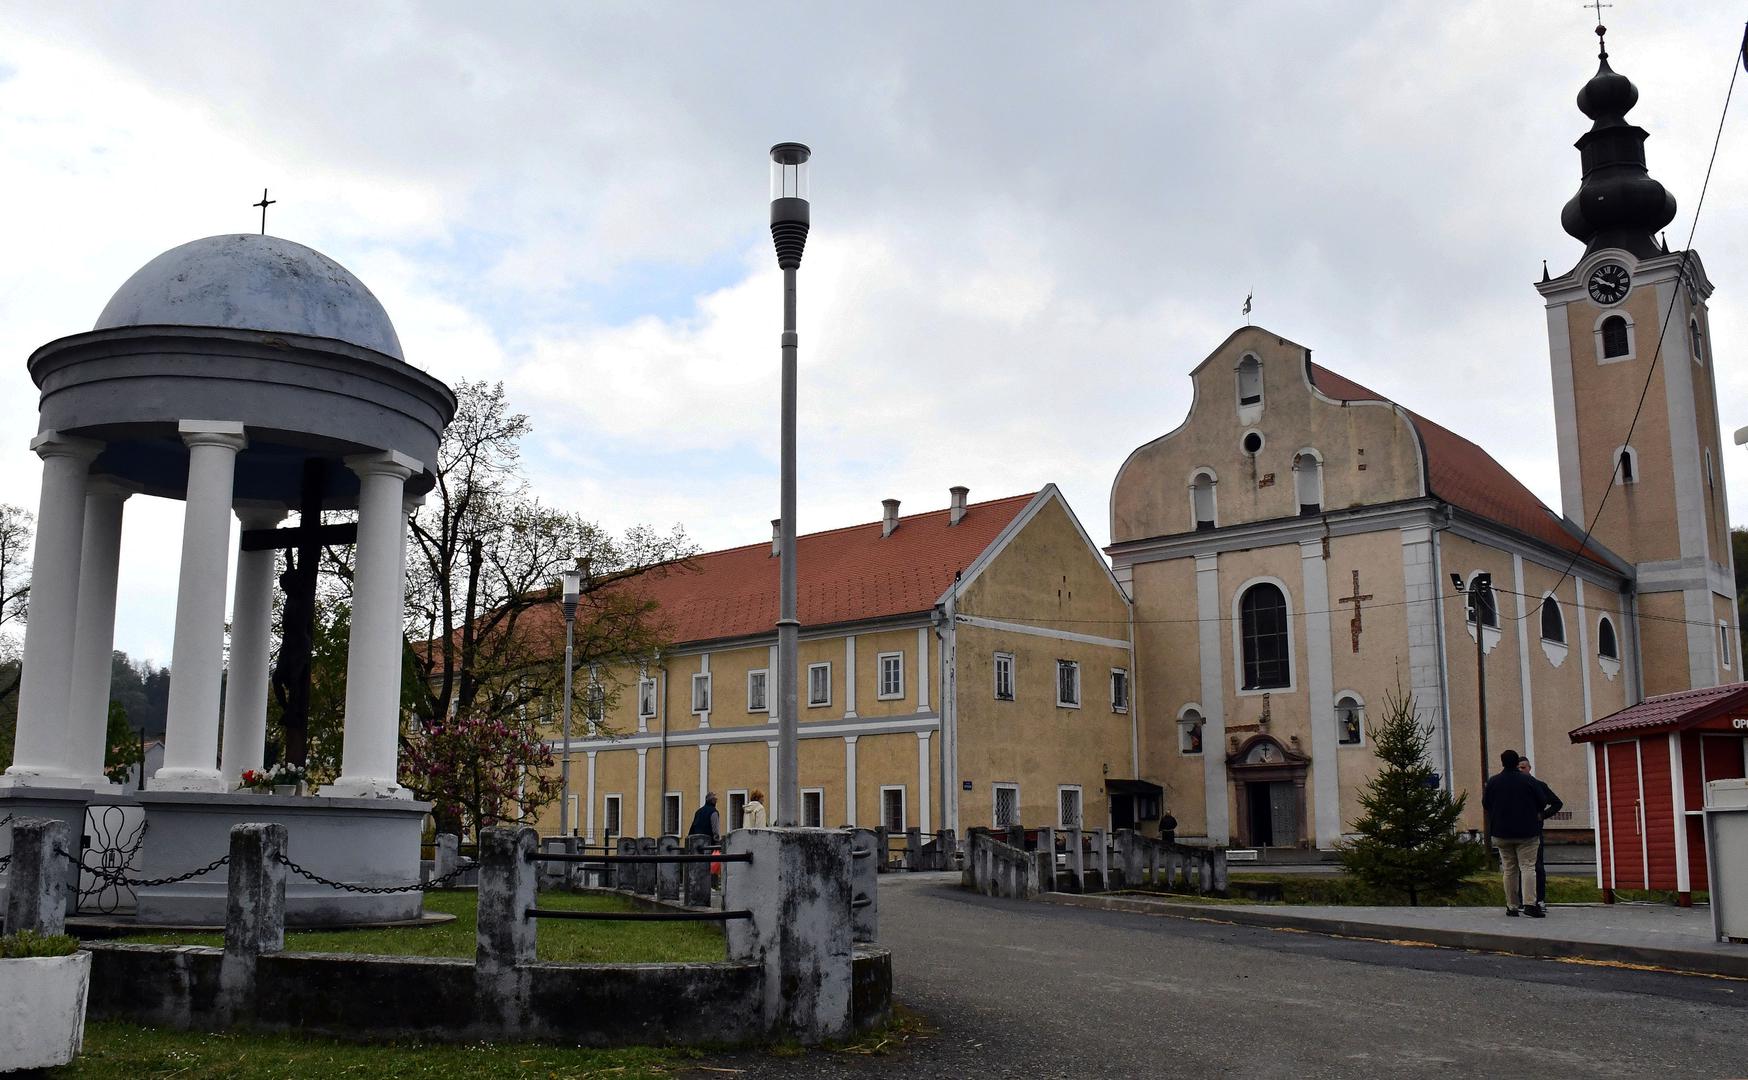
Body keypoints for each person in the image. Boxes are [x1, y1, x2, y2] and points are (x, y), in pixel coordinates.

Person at [1482, 749, 1558, 918]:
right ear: (1516, 762)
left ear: (1502, 762)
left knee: (1509, 869)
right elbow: (1542, 801)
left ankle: (1512, 906)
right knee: (1528, 867)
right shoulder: (1528, 781)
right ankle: (1530, 904)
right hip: (1527, 832)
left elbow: (1486, 804)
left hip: (1501, 833)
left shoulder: (1493, 782)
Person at [1517, 758, 1563, 913]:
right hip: (1515, 832)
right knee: (1518, 868)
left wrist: (1542, 815)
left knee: (1537, 866)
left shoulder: (1539, 785)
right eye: (1518, 767)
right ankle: (1522, 900)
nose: (1521, 770)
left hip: (1535, 832)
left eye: (1523, 767)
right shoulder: (1513, 786)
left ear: (1529, 768)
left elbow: (1557, 803)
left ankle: (1540, 899)